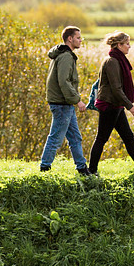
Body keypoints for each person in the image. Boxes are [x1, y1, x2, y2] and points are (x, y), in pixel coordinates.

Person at [89, 31, 134, 174]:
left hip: (115, 105)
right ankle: (91, 171)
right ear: (119, 45)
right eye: (127, 43)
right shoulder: (112, 62)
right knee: (102, 138)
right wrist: (130, 106)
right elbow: (116, 88)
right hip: (109, 105)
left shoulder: (118, 60)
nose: (129, 46)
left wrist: (125, 105)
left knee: (128, 137)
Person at [39, 25, 92, 175]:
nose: (81, 40)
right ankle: (44, 168)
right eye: (78, 37)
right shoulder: (66, 57)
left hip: (65, 104)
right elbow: (64, 81)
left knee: (75, 137)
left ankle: (82, 168)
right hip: (62, 104)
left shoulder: (64, 55)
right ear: (70, 39)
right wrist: (77, 100)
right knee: (56, 138)